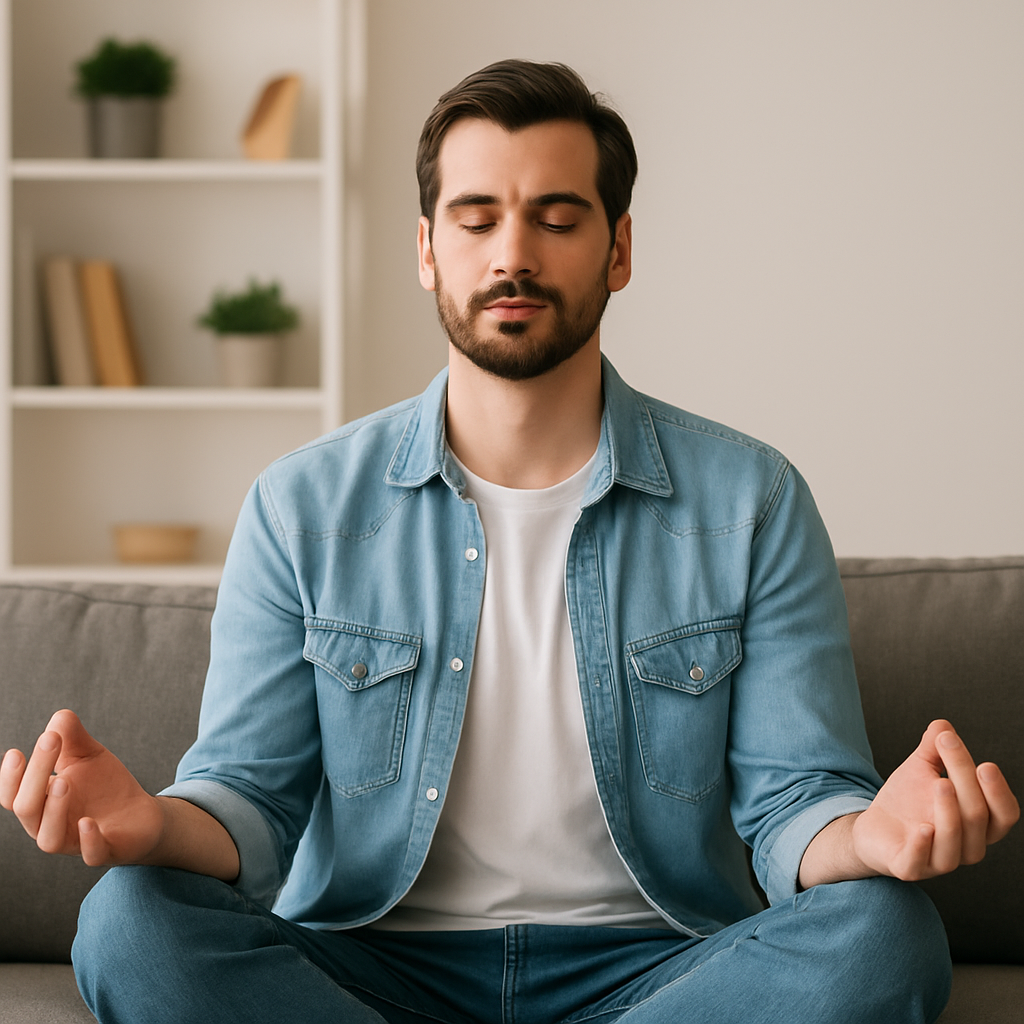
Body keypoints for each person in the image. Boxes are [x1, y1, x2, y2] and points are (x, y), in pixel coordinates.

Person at [1, 60, 1018, 1024]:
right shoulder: (299, 503)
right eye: (476, 217)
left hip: (657, 965)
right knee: (129, 919)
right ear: (426, 248)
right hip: (374, 957)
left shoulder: (751, 498)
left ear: (618, 248)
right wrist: (148, 824)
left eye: (556, 216)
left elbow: (793, 803)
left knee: (886, 932)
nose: (512, 254)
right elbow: (249, 800)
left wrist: (869, 837)